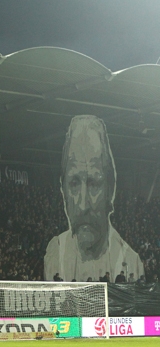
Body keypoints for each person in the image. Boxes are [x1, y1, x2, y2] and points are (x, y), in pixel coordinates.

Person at [44, 115, 144, 282]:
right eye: (74, 183)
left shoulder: (131, 262)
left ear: (110, 189)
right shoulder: (55, 253)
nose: (83, 205)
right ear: (63, 190)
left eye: (94, 183)